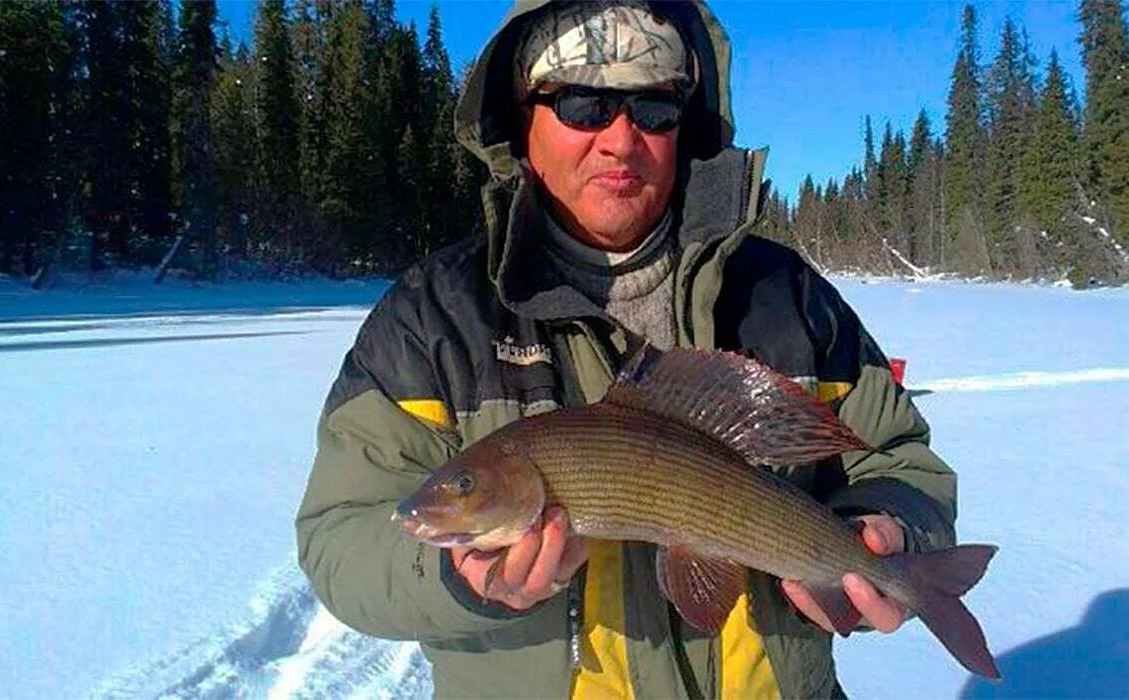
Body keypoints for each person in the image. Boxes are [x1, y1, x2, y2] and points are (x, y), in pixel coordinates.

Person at [296, 1, 958, 697]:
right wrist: (454, 579)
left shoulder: (784, 296)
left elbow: (899, 457)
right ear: (523, 120)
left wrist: (893, 531)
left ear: (686, 122)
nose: (620, 140)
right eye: (583, 104)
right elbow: (340, 538)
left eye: (652, 109)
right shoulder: (435, 319)